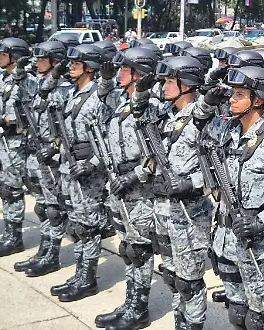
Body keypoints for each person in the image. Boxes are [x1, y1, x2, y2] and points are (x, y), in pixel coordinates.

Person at [123, 56, 212, 330]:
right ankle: (179, 323)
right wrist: (141, 91)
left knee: (189, 282)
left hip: (189, 214)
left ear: (187, 84)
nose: (164, 87)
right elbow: (137, 113)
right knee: (172, 277)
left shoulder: (202, 119)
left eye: (170, 82)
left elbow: (219, 169)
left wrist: (190, 183)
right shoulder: (165, 113)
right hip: (163, 211)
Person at [194, 66, 264, 329]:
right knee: (236, 313)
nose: (232, 100)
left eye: (239, 94)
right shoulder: (228, 131)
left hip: (257, 245)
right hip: (225, 239)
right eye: (232, 94)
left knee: (260, 320)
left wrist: (261, 221)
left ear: (258, 100)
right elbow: (198, 123)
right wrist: (208, 100)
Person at [94, 46, 161, 323]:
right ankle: (130, 302)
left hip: (139, 190)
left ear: (139, 74)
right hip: (117, 184)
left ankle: (139, 309)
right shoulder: (122, 100)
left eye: (125, 70)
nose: (119, 74)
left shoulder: (152, 106)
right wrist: (105, 82)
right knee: (127, 249)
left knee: (140, 250)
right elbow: (99, 109)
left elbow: (157, 154)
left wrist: (134, 176)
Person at [48, 43, 111, 304]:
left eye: (76, 64)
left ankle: (88, 279)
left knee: (89, 227)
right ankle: (79, 274)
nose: (71, 67)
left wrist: (91, 164)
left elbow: (107, 141)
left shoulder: (99, 97)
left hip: (88, 172)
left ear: (90, 68)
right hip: (70, 166)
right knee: (77, 225)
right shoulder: (74, 94)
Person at [16, 40, 73, 278]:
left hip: (55, 158)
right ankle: (44, 249)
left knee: (55, 209)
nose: (38, 64)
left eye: (42, 60)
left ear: (55, 62)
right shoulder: (42, 85)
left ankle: (52, 255)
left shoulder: (66, 90)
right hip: (38, 152)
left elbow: (69, 130)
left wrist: (55, 147)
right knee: (43, 206)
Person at [0, 38, 36, 258]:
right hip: (0, 143)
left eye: (2, 55)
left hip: (15, 143)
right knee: (3, 188)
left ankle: (15, 238)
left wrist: (7, 119)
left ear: (15, 57)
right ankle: (8, 233)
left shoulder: (27, 80)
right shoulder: (2, 78)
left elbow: (31, 112)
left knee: (13, 191)